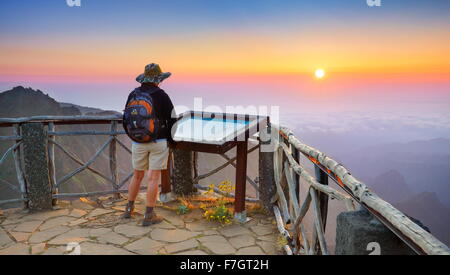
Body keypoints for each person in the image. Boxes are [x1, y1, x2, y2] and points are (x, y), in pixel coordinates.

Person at [122, 63, 177, 226]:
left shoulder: (134, 94)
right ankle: (149, 215)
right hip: (158, 141)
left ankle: (128, 210)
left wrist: (133, 136)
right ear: (158, 79)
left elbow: (125, 118)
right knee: (153, 178)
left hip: (138, 141)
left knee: (137, 175)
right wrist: (171, 140)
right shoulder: (161, 95)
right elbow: (173, 119)